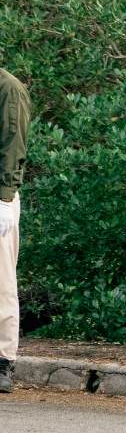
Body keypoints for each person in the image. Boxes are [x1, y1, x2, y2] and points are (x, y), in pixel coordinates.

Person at [0, 68, 30, 393]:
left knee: (2, 281)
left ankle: (3, 360)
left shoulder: (8, 88)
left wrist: (5, 199)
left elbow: (12, 144)